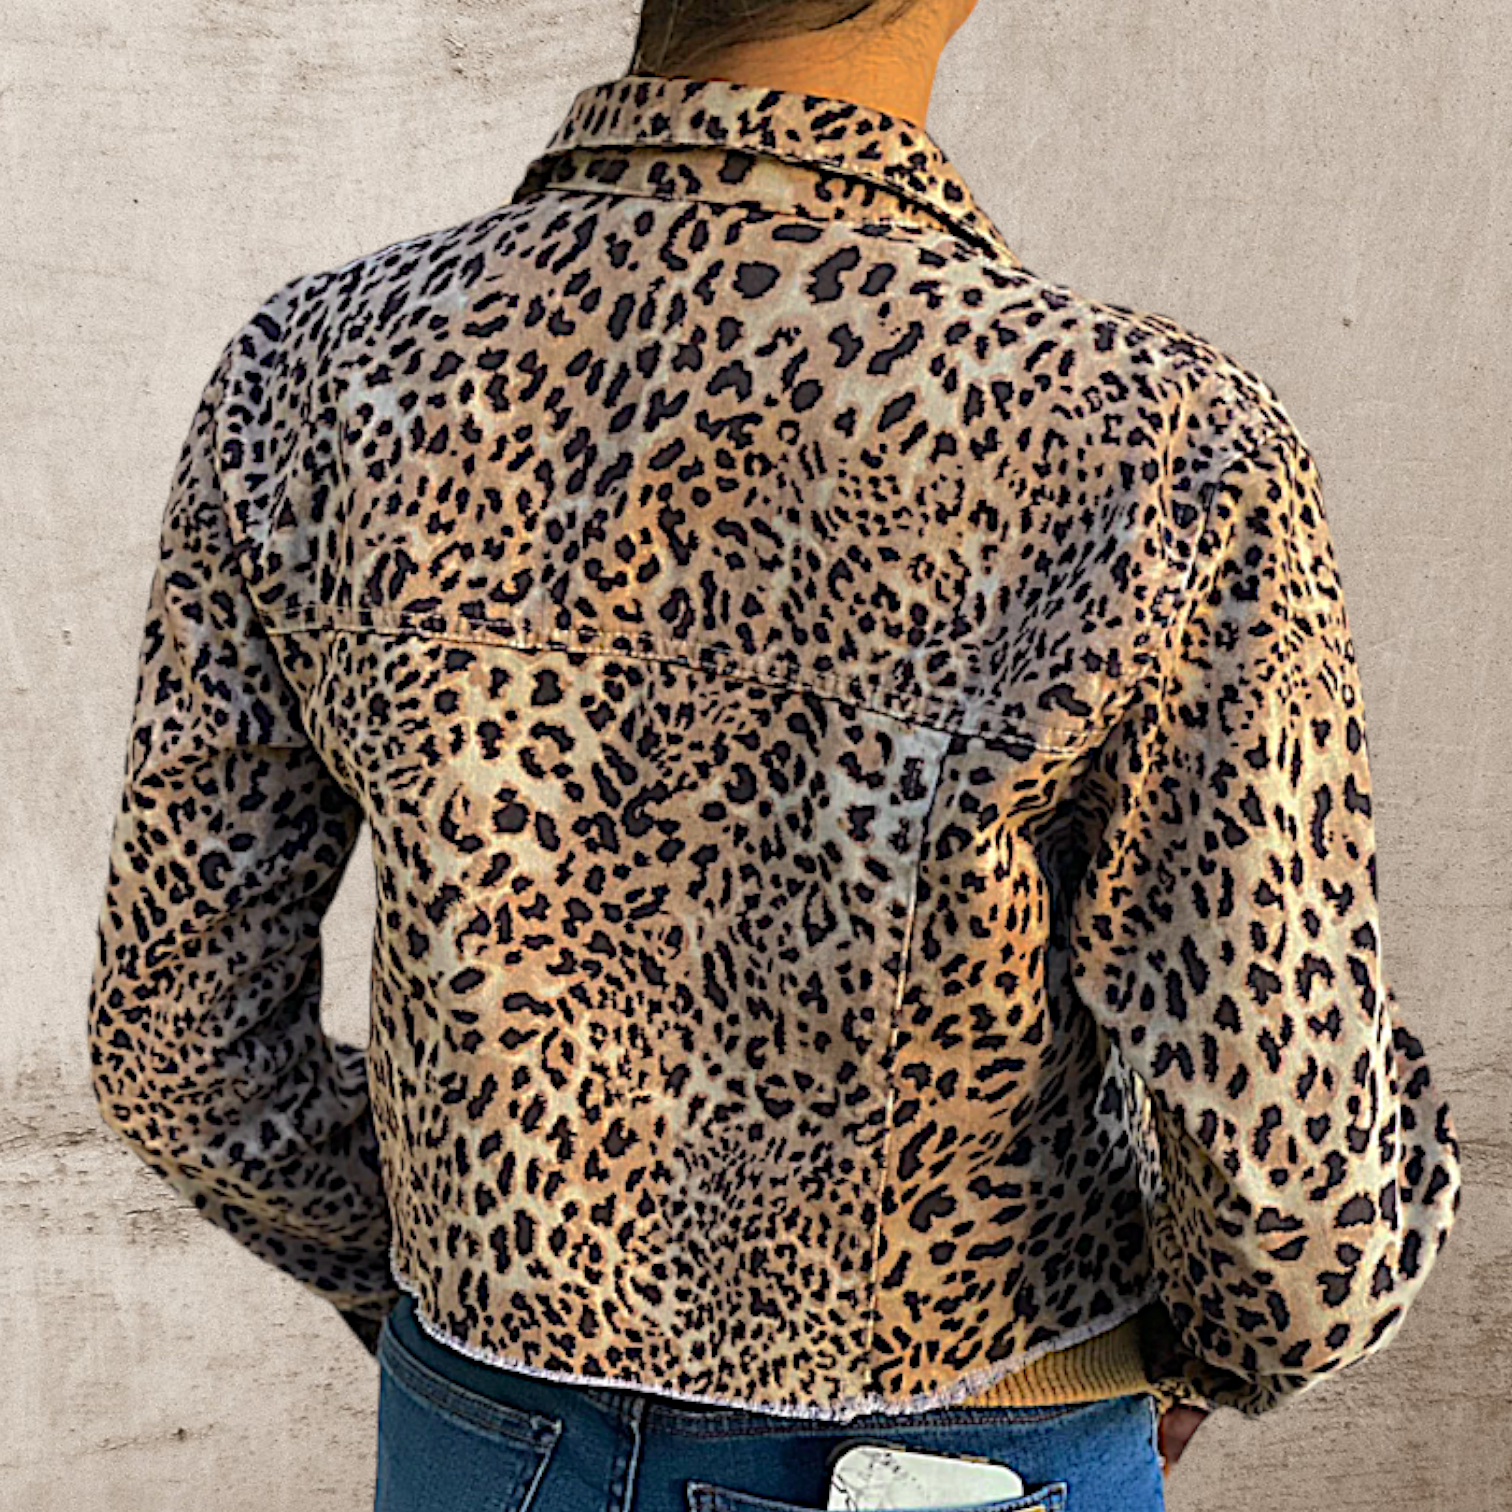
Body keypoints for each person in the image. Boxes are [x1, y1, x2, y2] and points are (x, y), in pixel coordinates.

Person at [86, 1, 1462, 1509]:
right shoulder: (1154, 440)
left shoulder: (317, 377)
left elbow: (177, 1048)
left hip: (478, 1434)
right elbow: (1293, 1170)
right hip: (965, 1441)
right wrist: (1206, 1354)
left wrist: (474, 1295)